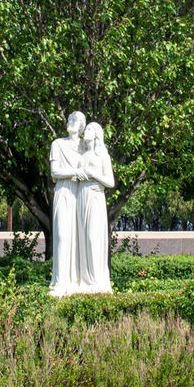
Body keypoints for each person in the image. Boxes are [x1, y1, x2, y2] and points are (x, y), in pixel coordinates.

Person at [48, 111, 87, 296]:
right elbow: (54, 172)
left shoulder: (86, 147)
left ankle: (79, 281)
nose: (71, 122)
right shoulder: (57, 144)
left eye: (75, 120)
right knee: (63, 235)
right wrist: (73, 172)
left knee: (80, 238)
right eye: (70, 118)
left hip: (81, 194)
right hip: (64, 191)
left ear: (81, 126)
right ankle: (61, 282)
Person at [75, 122, 114, 293]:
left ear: (97, 134)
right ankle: (85, 280)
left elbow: (111, 182)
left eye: (90, 129)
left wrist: (94, 175)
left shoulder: (102, 156)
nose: (86, 131)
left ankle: (97, 279)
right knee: (82, 238)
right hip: (81, 197)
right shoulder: (81, 156)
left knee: (93, 237)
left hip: (95, 197)